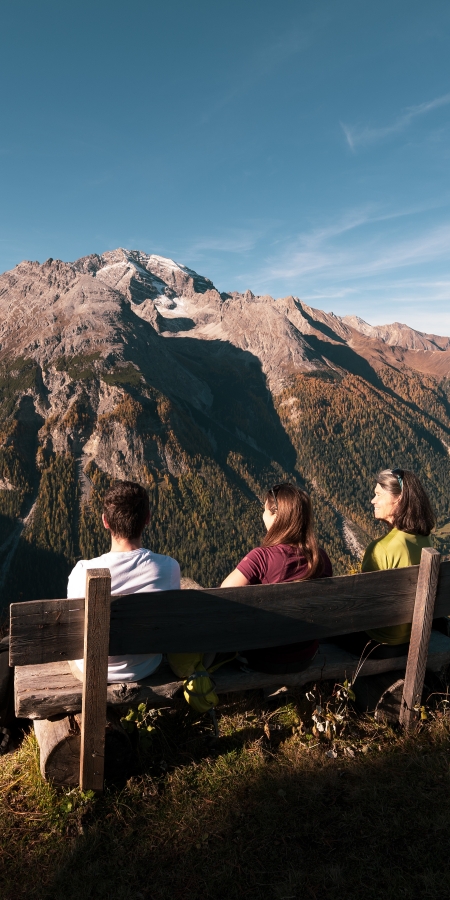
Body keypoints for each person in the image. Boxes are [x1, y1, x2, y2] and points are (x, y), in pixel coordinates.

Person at [67, 480, 180, 682]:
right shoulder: (169, 568)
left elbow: (74, 629)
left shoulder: (82, 571)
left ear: (105, 521)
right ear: (147, 519)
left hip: (92, 674)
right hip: (145, 668)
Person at [221, 482, 332, 674]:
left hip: (265, 658)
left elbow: (222, 597)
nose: (262, 515)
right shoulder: (320, 558)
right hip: (307, 656)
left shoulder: (261, 557)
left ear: (275, 516)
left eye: (265, 510)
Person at [335, 467, 435, 659]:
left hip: (379, 644)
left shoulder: (381, 550)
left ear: (398, 499)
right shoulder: (425, 539)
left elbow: (362, 608)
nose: (373, 500)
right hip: (413, 640)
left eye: (378, 495)